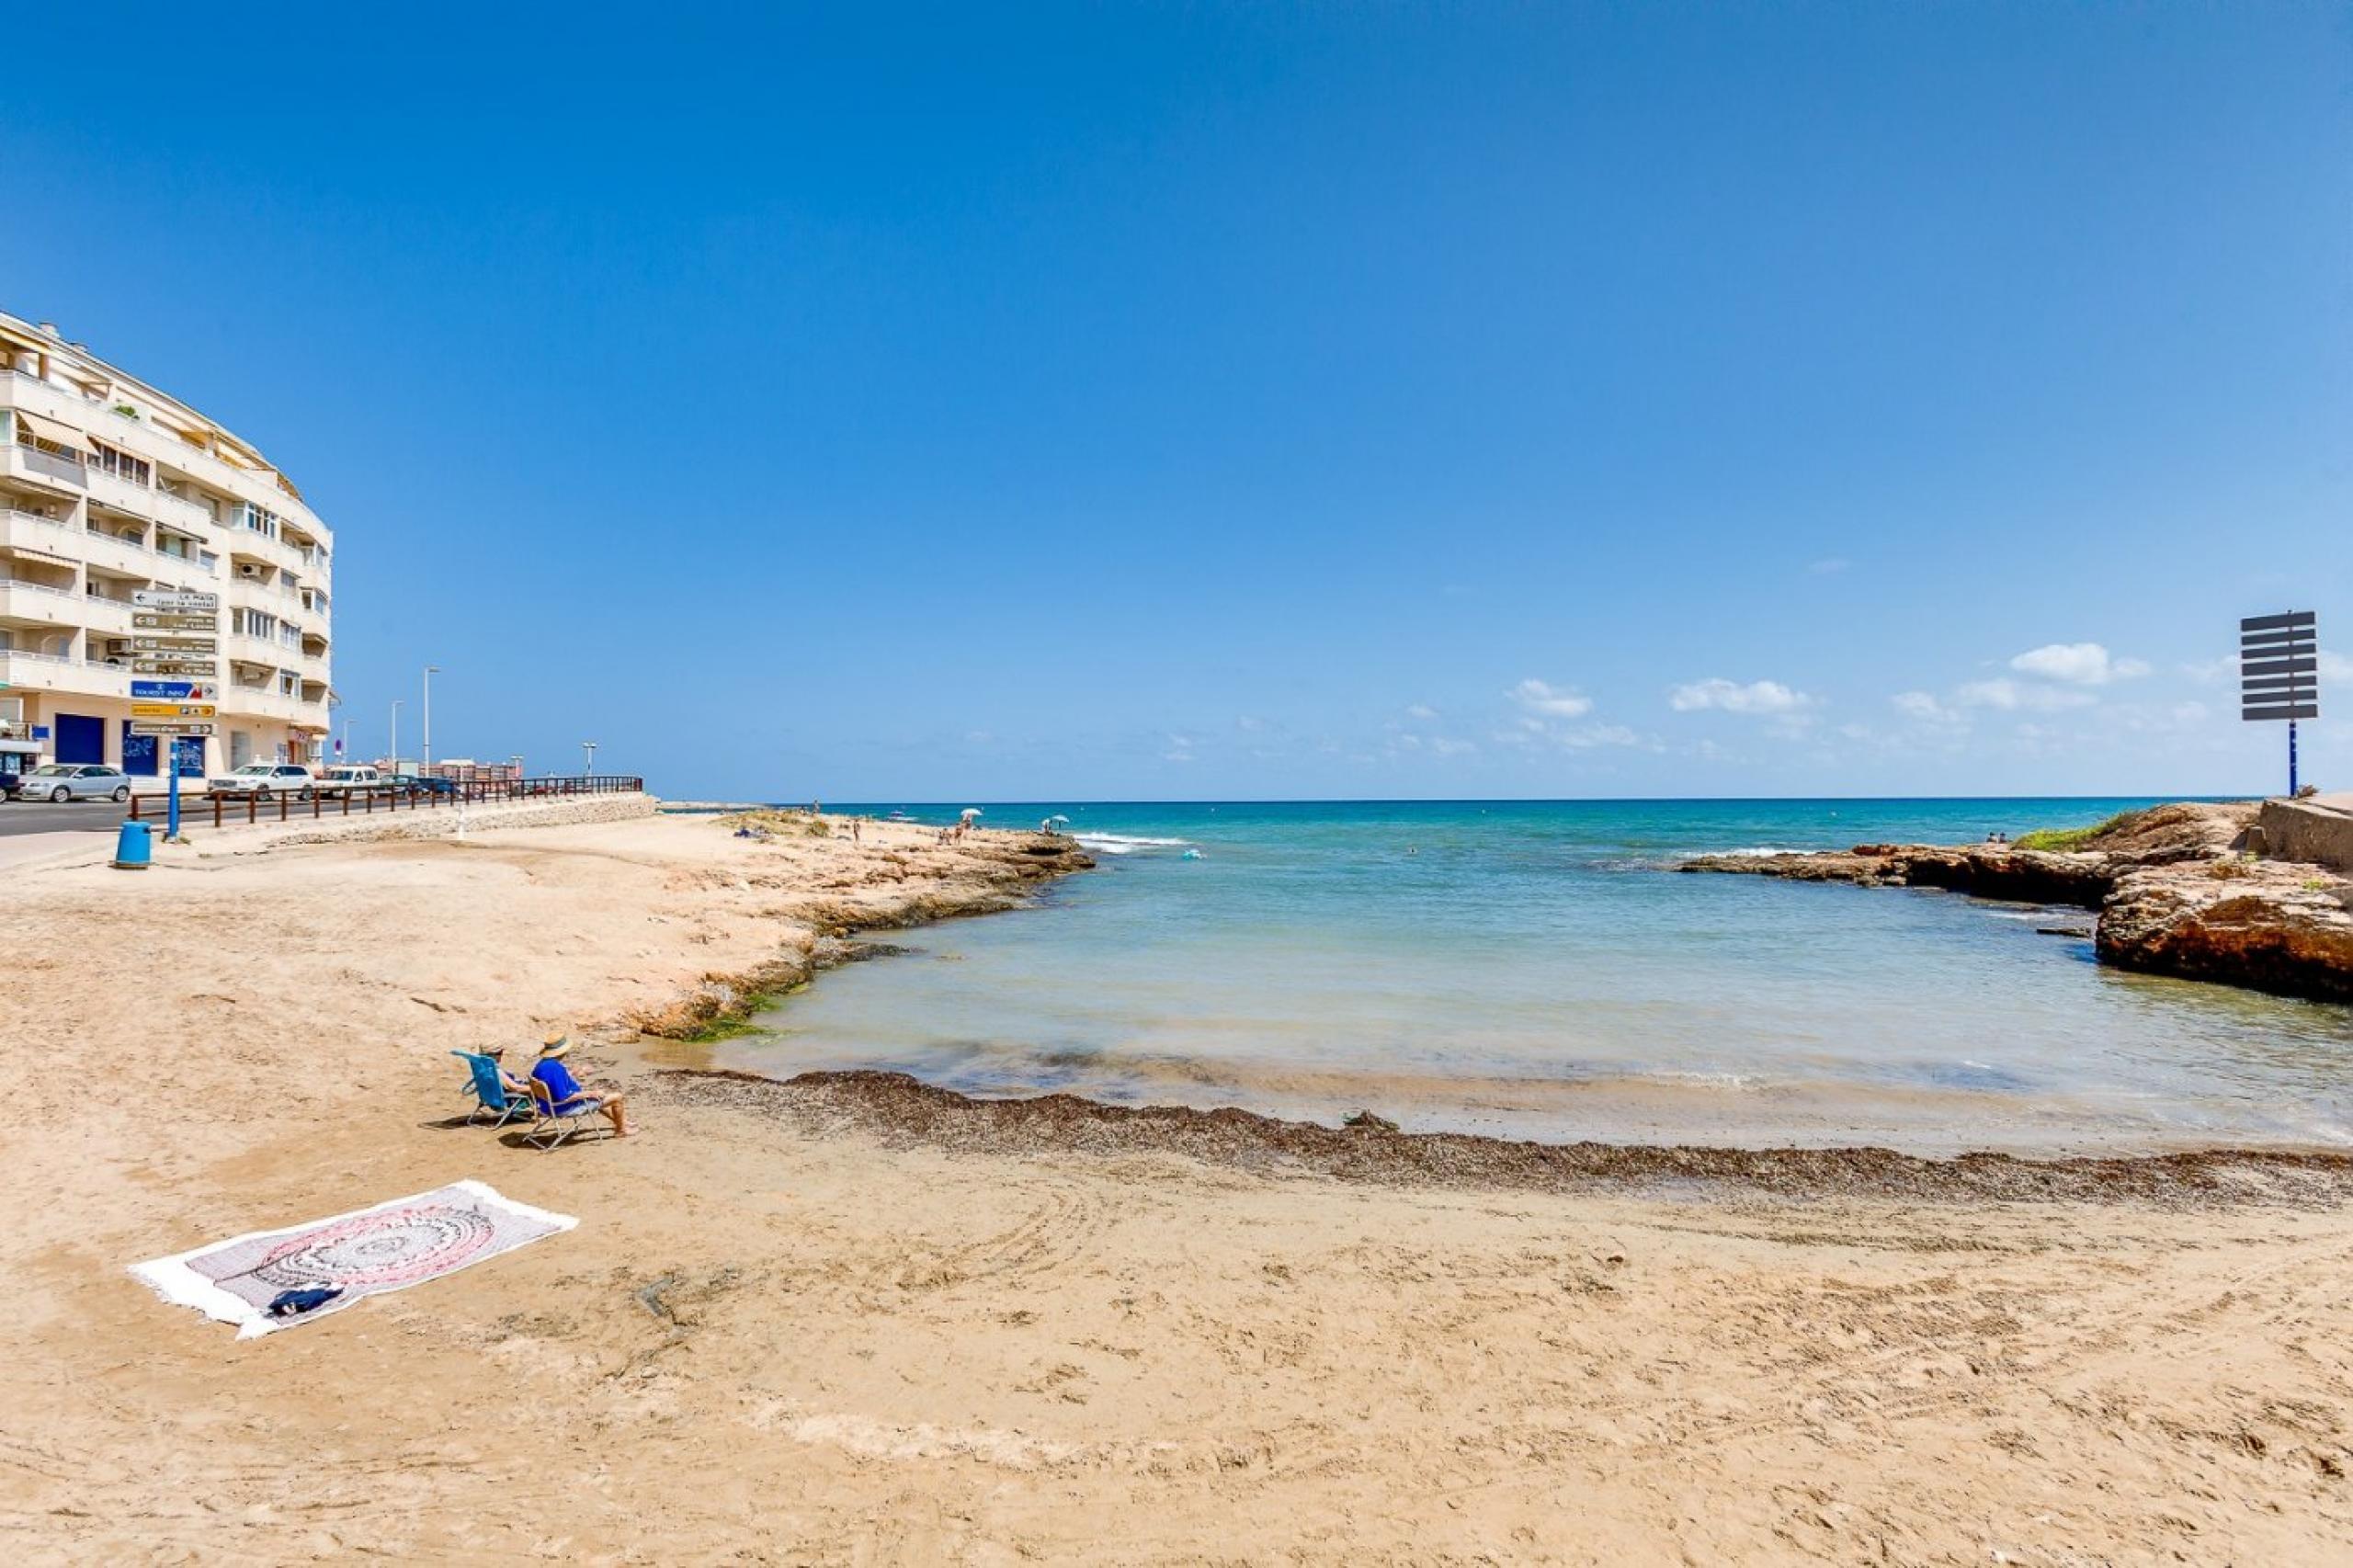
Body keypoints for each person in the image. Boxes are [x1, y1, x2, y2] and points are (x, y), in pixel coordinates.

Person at [529, 1031, 631, 1137]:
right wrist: (591, 1093)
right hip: (561, 1108)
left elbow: (552, 1083)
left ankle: (622, 1122)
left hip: (544, 1106)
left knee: (596, 1098)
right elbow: (564, 1097)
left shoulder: (541, 1065)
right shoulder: (555, 1068)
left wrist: (573, 1073)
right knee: (617, 1098)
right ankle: (620, 1130)